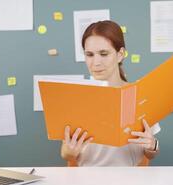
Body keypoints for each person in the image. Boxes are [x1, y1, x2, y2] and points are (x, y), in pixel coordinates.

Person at [61, 20, 160, 166]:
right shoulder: (77, 97)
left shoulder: (140, 94)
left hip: (129, 181)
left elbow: (150, 154)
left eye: (103, 53)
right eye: (89, 54)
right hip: (88, 181)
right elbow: (65, 154)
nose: (96, 62)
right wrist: (70, 152)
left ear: (120, 54)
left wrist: (152, 146)